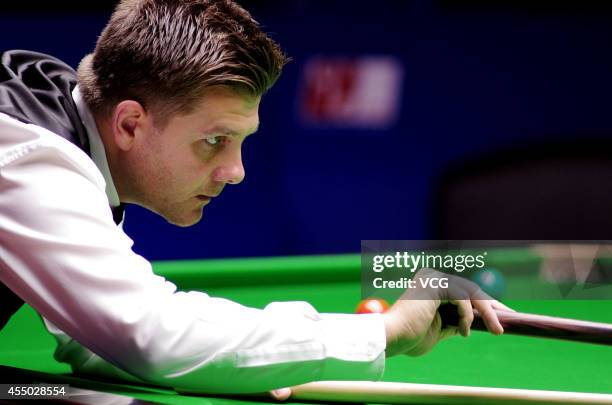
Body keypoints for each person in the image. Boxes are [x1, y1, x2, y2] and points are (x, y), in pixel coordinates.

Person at [0, 0, 508, 398]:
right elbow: (150, 334)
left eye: (243, 141)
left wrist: (257, 360)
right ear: (131, 123)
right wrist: (383, 331)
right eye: (214, 140)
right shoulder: (29, 156)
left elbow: (95, 337)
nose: (235, 171)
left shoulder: (62, 121)